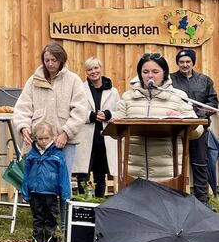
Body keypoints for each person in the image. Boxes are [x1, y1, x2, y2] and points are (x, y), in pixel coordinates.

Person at [13, 43, 86, 229]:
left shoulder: (73, 80)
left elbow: (80, 110)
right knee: (38, 181)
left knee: (62, 182)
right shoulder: (34, 80)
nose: (50, 64)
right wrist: (23, 128)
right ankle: (42, 223)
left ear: (62, 60)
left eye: (54, 60)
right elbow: (23, 107)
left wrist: (66, 132)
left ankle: (63, 224)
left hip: (64, 142)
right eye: (47, 60)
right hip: (39, 142)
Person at [113, 52, 201, 181]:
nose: (150, 76)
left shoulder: (177, 96)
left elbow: (197, 131)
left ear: (164, 73)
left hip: (168, 173)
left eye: (155, 71)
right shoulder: (128, 97)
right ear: (139, 74)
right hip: (134, 171)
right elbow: (115, 131)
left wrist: (183, 119)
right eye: (145, 72)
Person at [171, 49, 217, 205]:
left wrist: (198, 114)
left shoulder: (205, 80)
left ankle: (202, 201)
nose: (185, 65)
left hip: (199, 129)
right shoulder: (170, 81)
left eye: (188, 61)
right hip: (176, 130)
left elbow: (212, 102)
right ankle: (176, 201)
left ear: (193, 62)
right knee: (175, 165)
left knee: (200, 164)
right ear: (177, 63)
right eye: (181, 62)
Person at [73, 57, 119, 198]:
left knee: (101, 175)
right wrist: (91, 116)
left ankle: (99, 202)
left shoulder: (113, 91)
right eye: (89, 69)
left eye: (96, 68)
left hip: (104, 139)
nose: (93, 72)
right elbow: (74, 111)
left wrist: (108, 114)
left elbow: (121, 113)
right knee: (83, 174)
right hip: (86, 139)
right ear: (86, 72)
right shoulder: (80, 90)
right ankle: (82, 202)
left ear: (101, 68)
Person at [22, 122, 71, 242]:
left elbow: (63, 175)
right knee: (37, 217)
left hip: (51, 192)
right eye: (40, 139)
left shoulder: (58, 155)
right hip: (35, 192)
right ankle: (37, 240)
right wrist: (25, 190)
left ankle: (51, 241)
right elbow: (26, 174)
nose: (43, 141)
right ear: (35, 138)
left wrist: (65, 193)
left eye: (46, 138)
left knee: (51, 217)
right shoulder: (32, 155)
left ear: (52, 137)